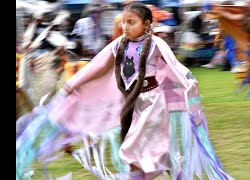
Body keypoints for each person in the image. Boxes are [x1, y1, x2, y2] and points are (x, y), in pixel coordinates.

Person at [17, 2, 232, 180]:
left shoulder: (156, 44)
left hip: (154, 103)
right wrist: (72, 85)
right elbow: (97, 67)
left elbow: (176, 67)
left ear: (147, 25)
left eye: (131, 23)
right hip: (132, 104)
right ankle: (166, 169)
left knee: (137, 147)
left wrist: (189, 85)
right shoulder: (119, 44)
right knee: (141, 148)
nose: (126, 27)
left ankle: (149, 172)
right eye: (124, 22)